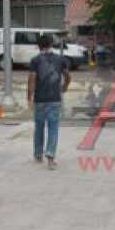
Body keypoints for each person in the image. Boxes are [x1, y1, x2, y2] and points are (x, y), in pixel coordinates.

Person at [28, 35, 71, 169]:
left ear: (38, 46)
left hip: (39, 100)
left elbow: (32, 80)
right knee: (53, 128)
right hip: (54, 99)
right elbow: (68, 76)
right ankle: (51, 157)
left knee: (39, 127)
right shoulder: (60, 59)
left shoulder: (35, 60)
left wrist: (29, 97)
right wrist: (65, 87)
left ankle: (38, 154)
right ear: (51, 44)